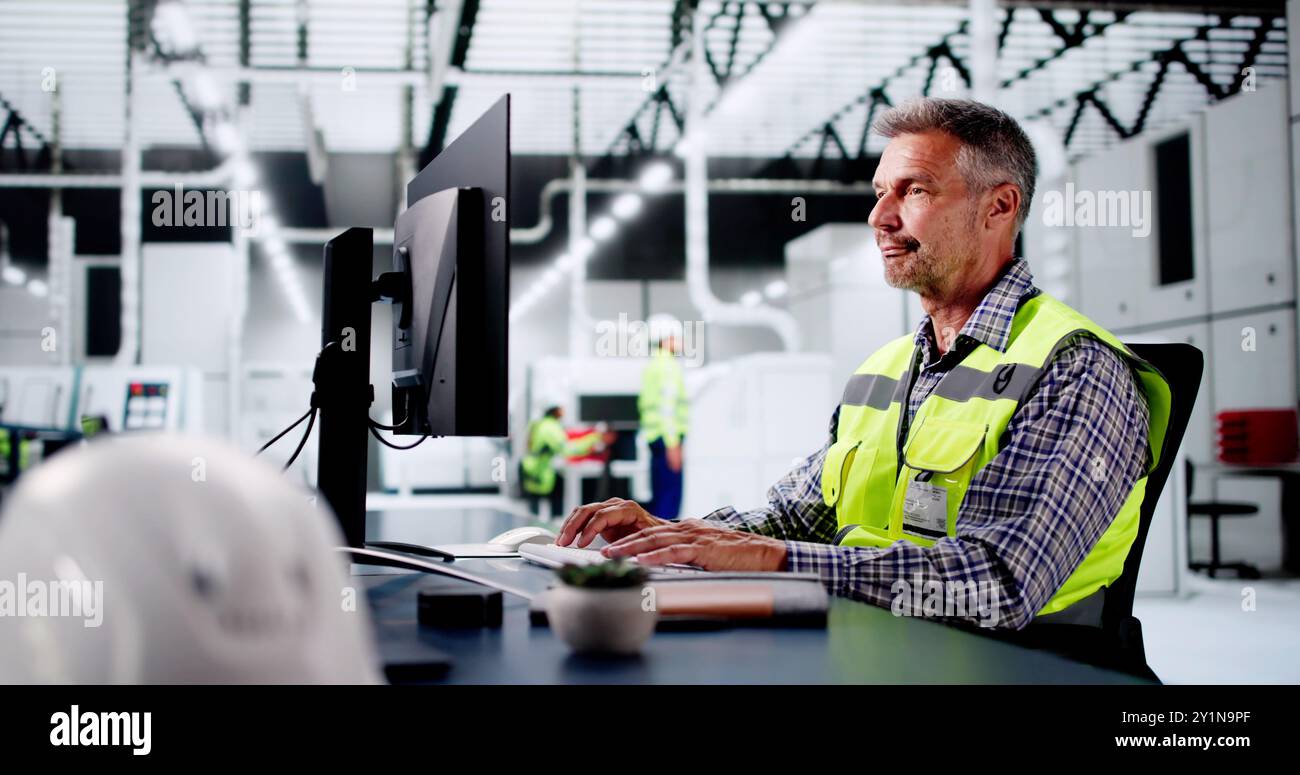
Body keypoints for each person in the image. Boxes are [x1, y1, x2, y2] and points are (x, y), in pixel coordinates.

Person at [558, 97, 1172, 632]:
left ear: (999, 207)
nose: (880, 217)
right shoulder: (886, 369)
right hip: (880, 646)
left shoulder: (1074, 369)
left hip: (1018, 666)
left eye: (915, 191)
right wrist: (669, 535)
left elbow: (998, 581)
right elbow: (797, 516)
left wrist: (773, 560)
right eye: (881, 193)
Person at [638, 314, 689, 520]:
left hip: (655, 438)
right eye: (678, 337)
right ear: (666, 339)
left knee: (659, 495)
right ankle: (665, 546)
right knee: (669, 500)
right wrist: (673, 444)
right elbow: (667, 408)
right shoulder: (669, 366)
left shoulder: (653, 365)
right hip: (667, 439)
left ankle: (653, 541)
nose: (682, 342)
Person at [519, 405, 609, 518]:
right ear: (555, 411)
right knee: (553, 510)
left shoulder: (540, 423)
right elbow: (567, 449)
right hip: (542, 471)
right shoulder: (551, 427)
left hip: (532, 469)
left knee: (533, 510)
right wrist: (594, 437)